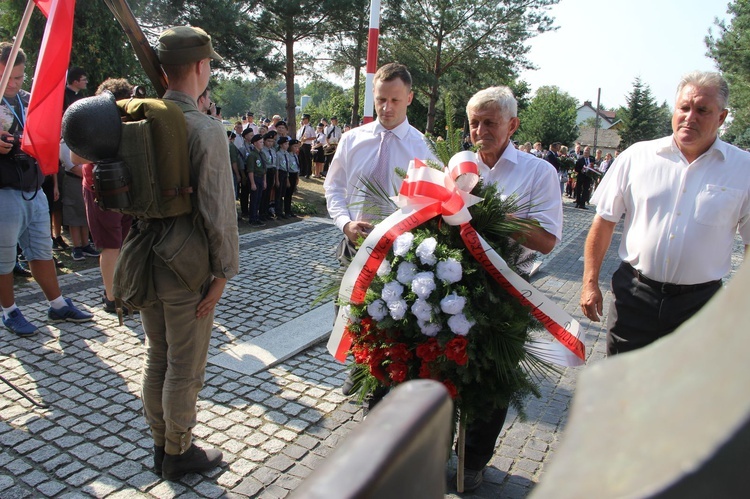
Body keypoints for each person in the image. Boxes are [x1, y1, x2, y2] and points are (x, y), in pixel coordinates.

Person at [129, 26, 239, 480]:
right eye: (209, 63)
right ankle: (179, 452)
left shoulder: (137, 118)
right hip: (186, 262)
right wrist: (223, 272)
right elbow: (218, 210)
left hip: (144, 255)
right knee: (185, 367)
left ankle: (160, 445)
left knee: (158, 355)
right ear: (200, 66)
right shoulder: (203, 126)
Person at [580, 71, 749, 356]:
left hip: (700, 306)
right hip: (634, 297)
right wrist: (589, 283)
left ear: (721, 117)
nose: (689, 117)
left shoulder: (743, 169)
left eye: (702, 110)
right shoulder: (637, 157)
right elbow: (605, 221)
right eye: (684, 107)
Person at [459, 86, 562, 491]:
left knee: (493, 379)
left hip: (508, 290)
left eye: (490, 122)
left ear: (513, 125)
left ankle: (473, 459)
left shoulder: (540, 173)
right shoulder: (459, 163)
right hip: (457, 284)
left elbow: (548, 240)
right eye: (474, 123)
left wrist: (490, 214)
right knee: (446, 367)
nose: (480, 130)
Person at [324, 62, 437, 396]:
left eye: (395, 100)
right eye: (380, 99)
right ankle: (357, 368)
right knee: (347, 311)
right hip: (354, 244)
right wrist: (344, 223)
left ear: (410, 98)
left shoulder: (423, 148)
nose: (386, 107)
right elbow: (334, 189)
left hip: (399, 250)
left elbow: (431, 204)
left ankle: (385, 373)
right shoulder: (352, 140)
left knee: (390, 314)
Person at [0, 43, 92, 336]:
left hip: (33, 187)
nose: (16, 83)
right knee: (3, 258)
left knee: (41, 251)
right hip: (3, 189)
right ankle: (10, 311)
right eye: (9, 77)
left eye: (20, 76)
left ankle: (57, 304)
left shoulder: (30, 101)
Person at [80, 78, 134, 313]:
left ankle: (125, 290)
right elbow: (75, 158)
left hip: (125, 188)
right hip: (100, 189)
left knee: (126, 243)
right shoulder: (93, 121)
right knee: (111, 246)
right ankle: (112, 298)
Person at [297, 113, 315, 178]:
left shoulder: (310, 128)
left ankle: (308, 173)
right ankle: (302, 171)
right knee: (301, 158)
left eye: (304, 119)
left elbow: (314, 137)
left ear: (307, 120)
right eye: (302, 119)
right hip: (301, 144)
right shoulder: (302, 128)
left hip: (307, 144)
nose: (303, 120)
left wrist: (306, 139)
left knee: (307, 159)